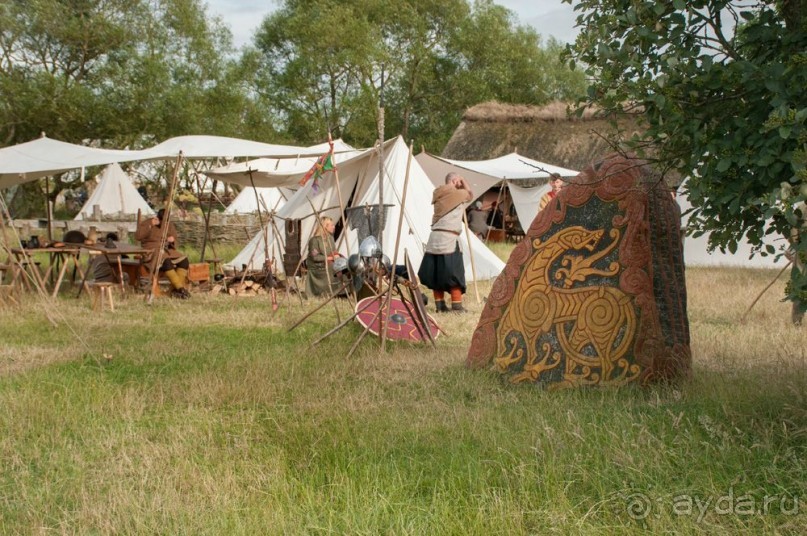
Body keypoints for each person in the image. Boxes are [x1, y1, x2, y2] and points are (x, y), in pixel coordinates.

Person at [418, 172, 473, 313]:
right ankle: (457, 306)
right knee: (454, 273)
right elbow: (470, 193)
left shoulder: (438, 193)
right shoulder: (456, 194)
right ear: (455, 181)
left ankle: (440, 306)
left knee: (437, 273)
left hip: (434, 239)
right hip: (448, 239)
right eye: (458, 181)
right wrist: (463, 180)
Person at [135, 208, 190, 299]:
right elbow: (138, 236)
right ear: (158, 217)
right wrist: (151, 225)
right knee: (166, 261)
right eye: (162, 220)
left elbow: (174, 238)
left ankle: (175, 290)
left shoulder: (169, 225)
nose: (163, 223)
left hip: (166, 250)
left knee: (184, 260)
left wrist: (172, 240)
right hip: (151, 251)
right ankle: (181, 289)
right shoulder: (148, 222)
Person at [305, 216, 343, 297]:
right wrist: (330, 258)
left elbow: (334, 251)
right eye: (331, 225)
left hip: (329, 261)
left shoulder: (330, 238)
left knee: (344, 265)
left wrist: (337, 256)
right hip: (317, 265)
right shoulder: (314, 240)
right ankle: (331, 292)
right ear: (325, 226)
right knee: (333, 266)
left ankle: (342, 290)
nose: (334, 226)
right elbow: (315, 257)